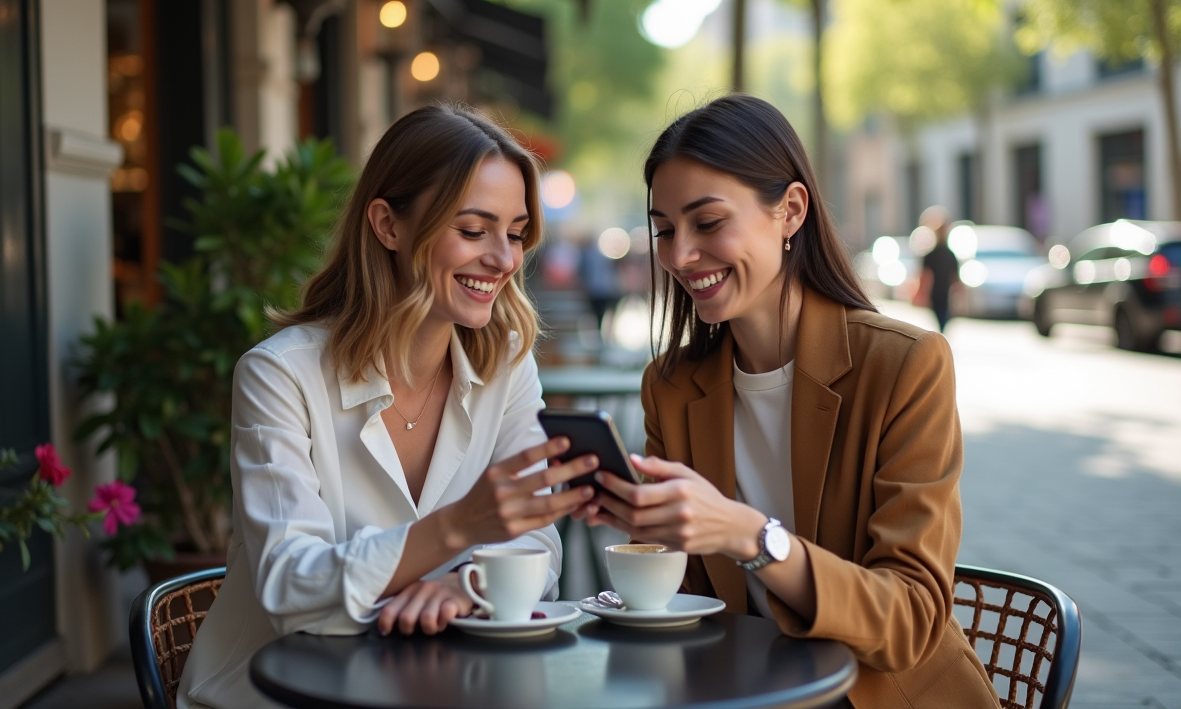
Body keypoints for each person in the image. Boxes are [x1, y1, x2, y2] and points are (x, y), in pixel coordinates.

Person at [578, 96, 1000, 709]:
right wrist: (639, 537)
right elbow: (686, 599)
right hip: (742, 692)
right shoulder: (671, 387)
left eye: (708, 222)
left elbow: (908, 619)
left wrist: (751, 535)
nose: (679, 255)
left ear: (791, 212)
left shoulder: (905, 365)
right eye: (665, 230)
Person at [179, 105, 598, 708]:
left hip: (439, 686)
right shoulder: (280, 374)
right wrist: (457, 528)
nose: (505, 260)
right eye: (473, 231)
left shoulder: (506, 365)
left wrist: (468, 585)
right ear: (387, 225)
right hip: (277, 692)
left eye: (515, 233)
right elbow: (291, 588)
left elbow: (536, 544)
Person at [918, 210, 959, 331]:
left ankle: (941, 334)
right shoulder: (934, 255)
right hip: (937, 292)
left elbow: (955, 277)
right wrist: (923, 293)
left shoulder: (948, 254)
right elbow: (926, 275)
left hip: (944, 292)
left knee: (942, 319)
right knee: (941, 319)